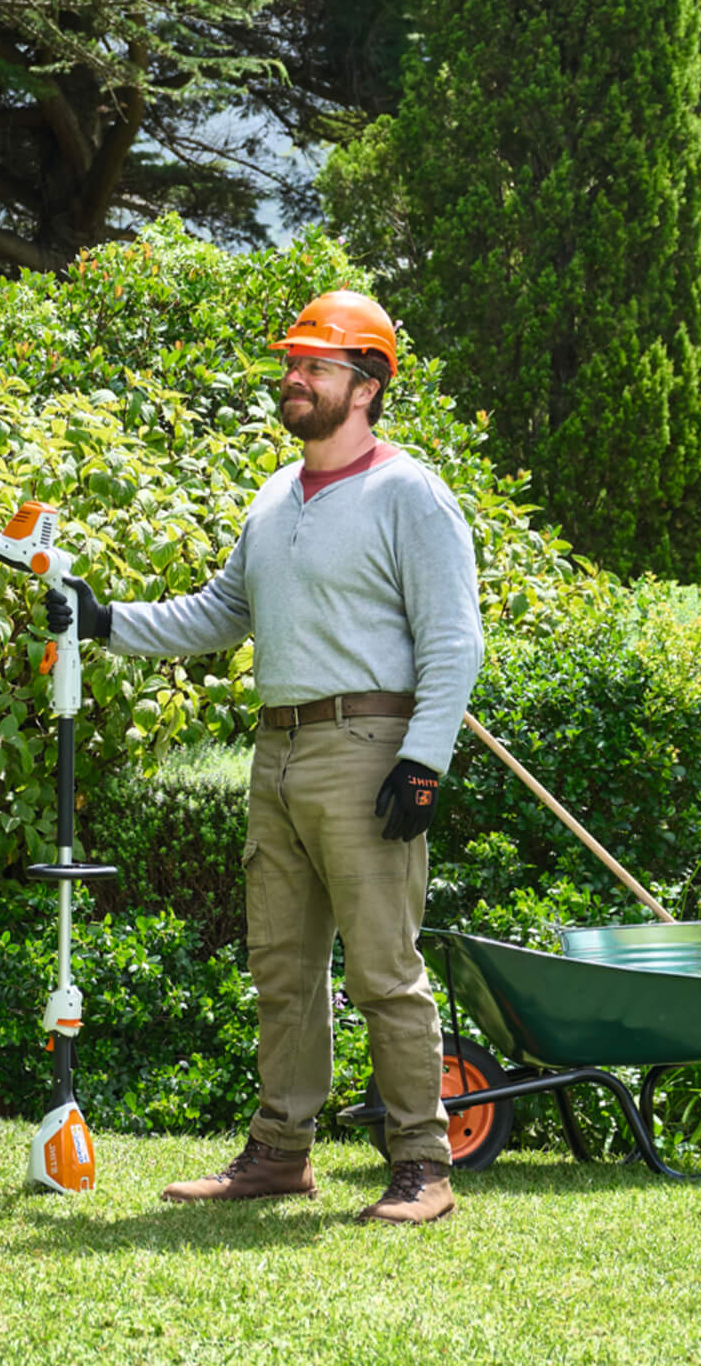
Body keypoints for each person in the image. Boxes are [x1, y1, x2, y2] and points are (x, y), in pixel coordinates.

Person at [45, 290, 484, 1224]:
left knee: (382, 971)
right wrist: (106, 621)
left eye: (317, 366)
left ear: (367, 386)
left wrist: (424, 762)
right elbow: (221, 610)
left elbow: (454, 640)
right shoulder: (277, 495)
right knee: (282, 968)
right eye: (293, 363)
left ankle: (423, 1166)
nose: (295, 378)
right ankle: (281, 1152)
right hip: (278, 749)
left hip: (368, 747)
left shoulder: (409, 493)